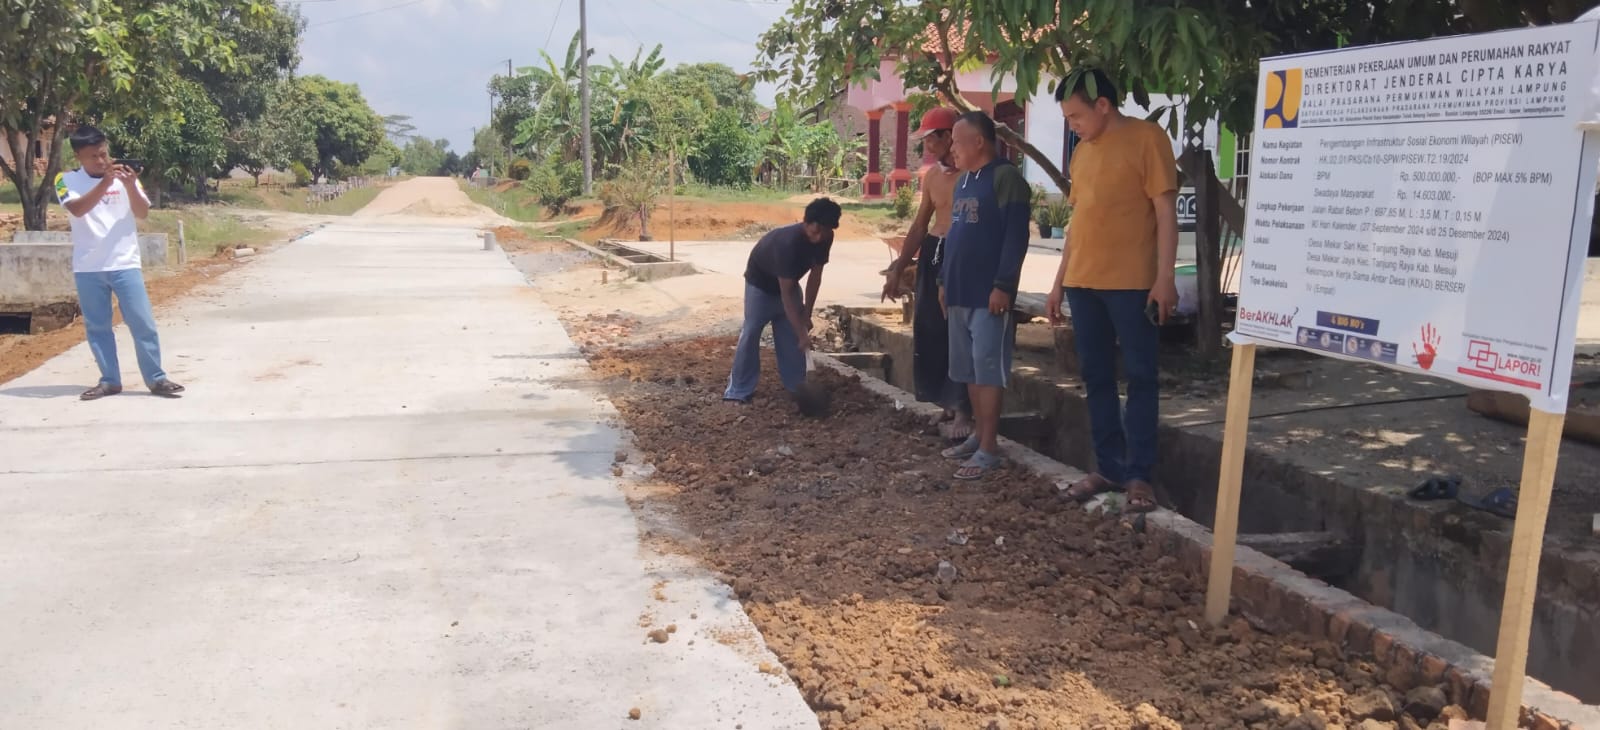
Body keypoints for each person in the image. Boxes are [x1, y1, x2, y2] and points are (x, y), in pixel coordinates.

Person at [1045, 69, 1178, 513]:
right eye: (1067, 117)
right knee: (1096, 378)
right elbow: (1076, 221)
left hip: (1132, 283)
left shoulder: (1147, 139)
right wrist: (1058, 282)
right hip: (1083, 282)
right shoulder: (1082, 153)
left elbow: (1164, 211)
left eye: (1077, 115)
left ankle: (1139, 475)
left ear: (1103, 105)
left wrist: (1165, 277)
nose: (1073, 125)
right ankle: (1108, 467)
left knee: (1140, 378)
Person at [55, 125, 185, 401]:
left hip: (125, 262)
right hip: (89, 267)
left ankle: (156, 378)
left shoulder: (124, 178)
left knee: (142, 323)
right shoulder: (64, 180)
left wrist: (129, 186)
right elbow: (77, 209)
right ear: (79, 156)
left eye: (104, 154)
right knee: (98, 327)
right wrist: (105, 183)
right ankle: (110, 381)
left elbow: (142, 212)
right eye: (94, 157)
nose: (102, 161)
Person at [938, 111, 1032, 480]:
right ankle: (978, 436)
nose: (952, 149)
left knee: (988, 371)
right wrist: (944, 281)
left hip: (988, 294)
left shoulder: (1006, 179)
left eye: (958, 142)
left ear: (979, 142)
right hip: (960, 292)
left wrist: (1004, 285)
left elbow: (1014, 238)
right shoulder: (963, 182)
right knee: (970, 371)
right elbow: (954, 236)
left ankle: (990, 448)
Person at [882, 107, 973, 440]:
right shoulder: (933, 176)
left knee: (958, 332)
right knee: (931, 330)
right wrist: (900, 265)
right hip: (934, 251)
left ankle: (964, 410)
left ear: (949, 136)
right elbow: (920, 225)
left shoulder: (972, 176)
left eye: (930, 139)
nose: (927, 147)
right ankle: (946, 405)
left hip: (960, 253)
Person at [723, 198, 843, 404]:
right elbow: (786, 295)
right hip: (760, 286)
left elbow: (815, 277)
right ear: (806, 223)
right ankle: (738, 390)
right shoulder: (787, 243)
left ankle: (798, 387)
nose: (820, 237)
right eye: (816, 231)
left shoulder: (826, 237)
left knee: (791, 338)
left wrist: (807, 313)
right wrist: (802, 333)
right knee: (751, 333)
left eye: (825, 231)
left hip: (789, 283)